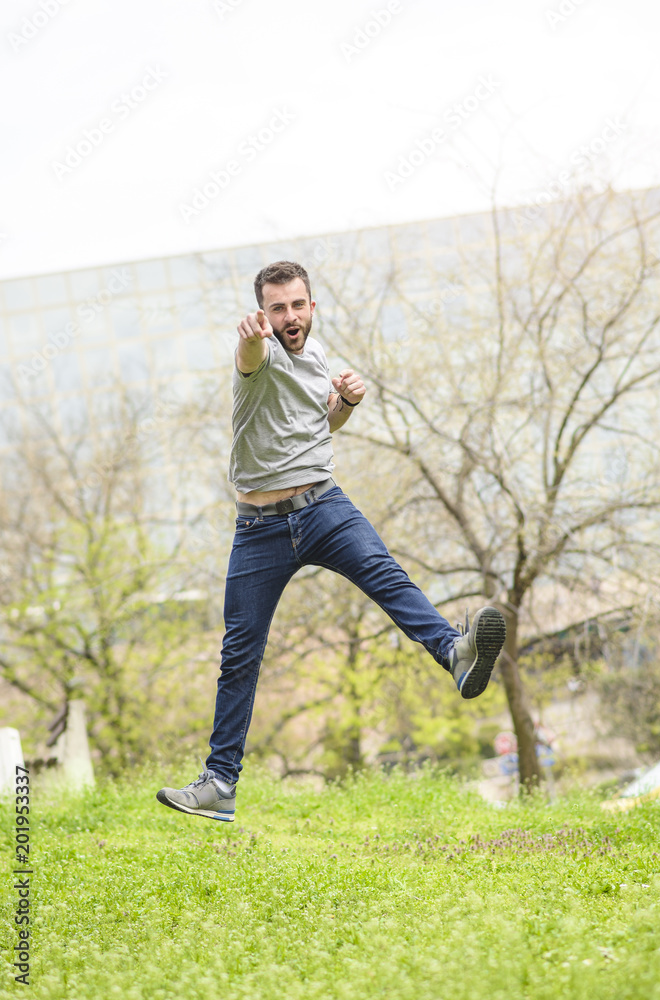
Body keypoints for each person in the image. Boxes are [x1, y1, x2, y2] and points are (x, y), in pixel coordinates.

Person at [157, 260, 506, 822]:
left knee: (390, 578)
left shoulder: (316, 357)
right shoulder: (259, 354)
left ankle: (455, 653)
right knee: (239, 654)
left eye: (297, 305)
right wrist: (248, 342)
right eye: (276, 308)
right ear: (263, 315)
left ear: (311, 307)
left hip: (323, 505)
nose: (289, 316)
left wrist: (344, 403)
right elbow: (249, 361)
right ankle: (220, 784)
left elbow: (320, 425)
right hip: (260, 528)